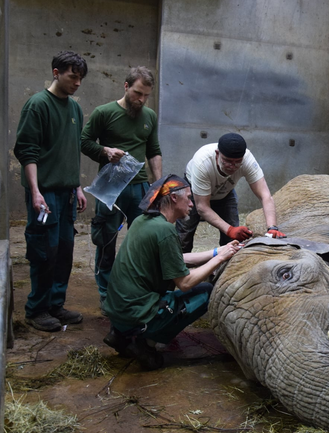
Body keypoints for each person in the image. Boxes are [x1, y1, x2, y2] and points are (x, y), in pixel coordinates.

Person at [103, 175, 241, 370]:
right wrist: (219, 260)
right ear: (174, 199)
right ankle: (146, 345)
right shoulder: (165, 230)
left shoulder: (142, 221)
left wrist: (219, 251)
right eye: (188, 197)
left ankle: (120, 334)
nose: (192, 204)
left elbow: (176, 259)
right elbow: (184, 283)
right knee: (207, 292)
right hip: (136, 315)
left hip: (117, 312)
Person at [13, 51, 88, 332]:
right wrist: (35, 192)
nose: (77, 83)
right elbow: (26, 151)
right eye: (73, 76)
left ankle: (56, 304)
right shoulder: (38, 105)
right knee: (44, 251)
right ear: (56, 72)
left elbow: (70, 153)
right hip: (45, 193)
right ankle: (37, 309)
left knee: (65, 252)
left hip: (67, 194)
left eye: (80, 79)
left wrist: (77, 186)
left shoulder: (75, 109)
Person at [81, 66, 162, 313]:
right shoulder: (104, 113)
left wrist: (158, 186)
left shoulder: (149, 116)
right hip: (111, 189)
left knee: (142, 241)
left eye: (146, 95)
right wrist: (105, 151)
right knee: (106, 241)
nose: (141, 99)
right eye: (138, 93)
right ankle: (106, 294)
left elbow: (153, 150)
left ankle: (136, 291)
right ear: (126, 86)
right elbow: (83, 142)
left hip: (140, 188)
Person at [176, 133, 286, 252]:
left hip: (225, 193)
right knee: (184, 236)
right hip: (194, 193)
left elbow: (265, 196)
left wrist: (272, 227)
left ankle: (224, 267)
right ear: (217, 154)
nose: (232, 166)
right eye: (227, 161)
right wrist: (230, 229)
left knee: (233, 240)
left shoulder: (248, 159)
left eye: (237, 162)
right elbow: (202, 207)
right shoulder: (202, 162)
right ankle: (179, 267)